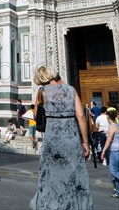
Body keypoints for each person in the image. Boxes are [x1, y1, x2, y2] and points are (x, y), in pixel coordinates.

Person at [29, 65, 93, 210]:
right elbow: (81, 116)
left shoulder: (42, 92)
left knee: (51, 176)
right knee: (74, 175)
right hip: (71, 140)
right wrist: (85, 142)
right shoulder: (71, 89)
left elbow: (36, 116)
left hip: (52, 142)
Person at [101, 108, 119, 198]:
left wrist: (103, 150)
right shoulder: (117, 125)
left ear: (108, 118)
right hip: (117, 149)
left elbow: (109, 140)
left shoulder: (112, 126)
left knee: (113, 171)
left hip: (115, 150)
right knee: (116, 170)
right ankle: (118, 191)